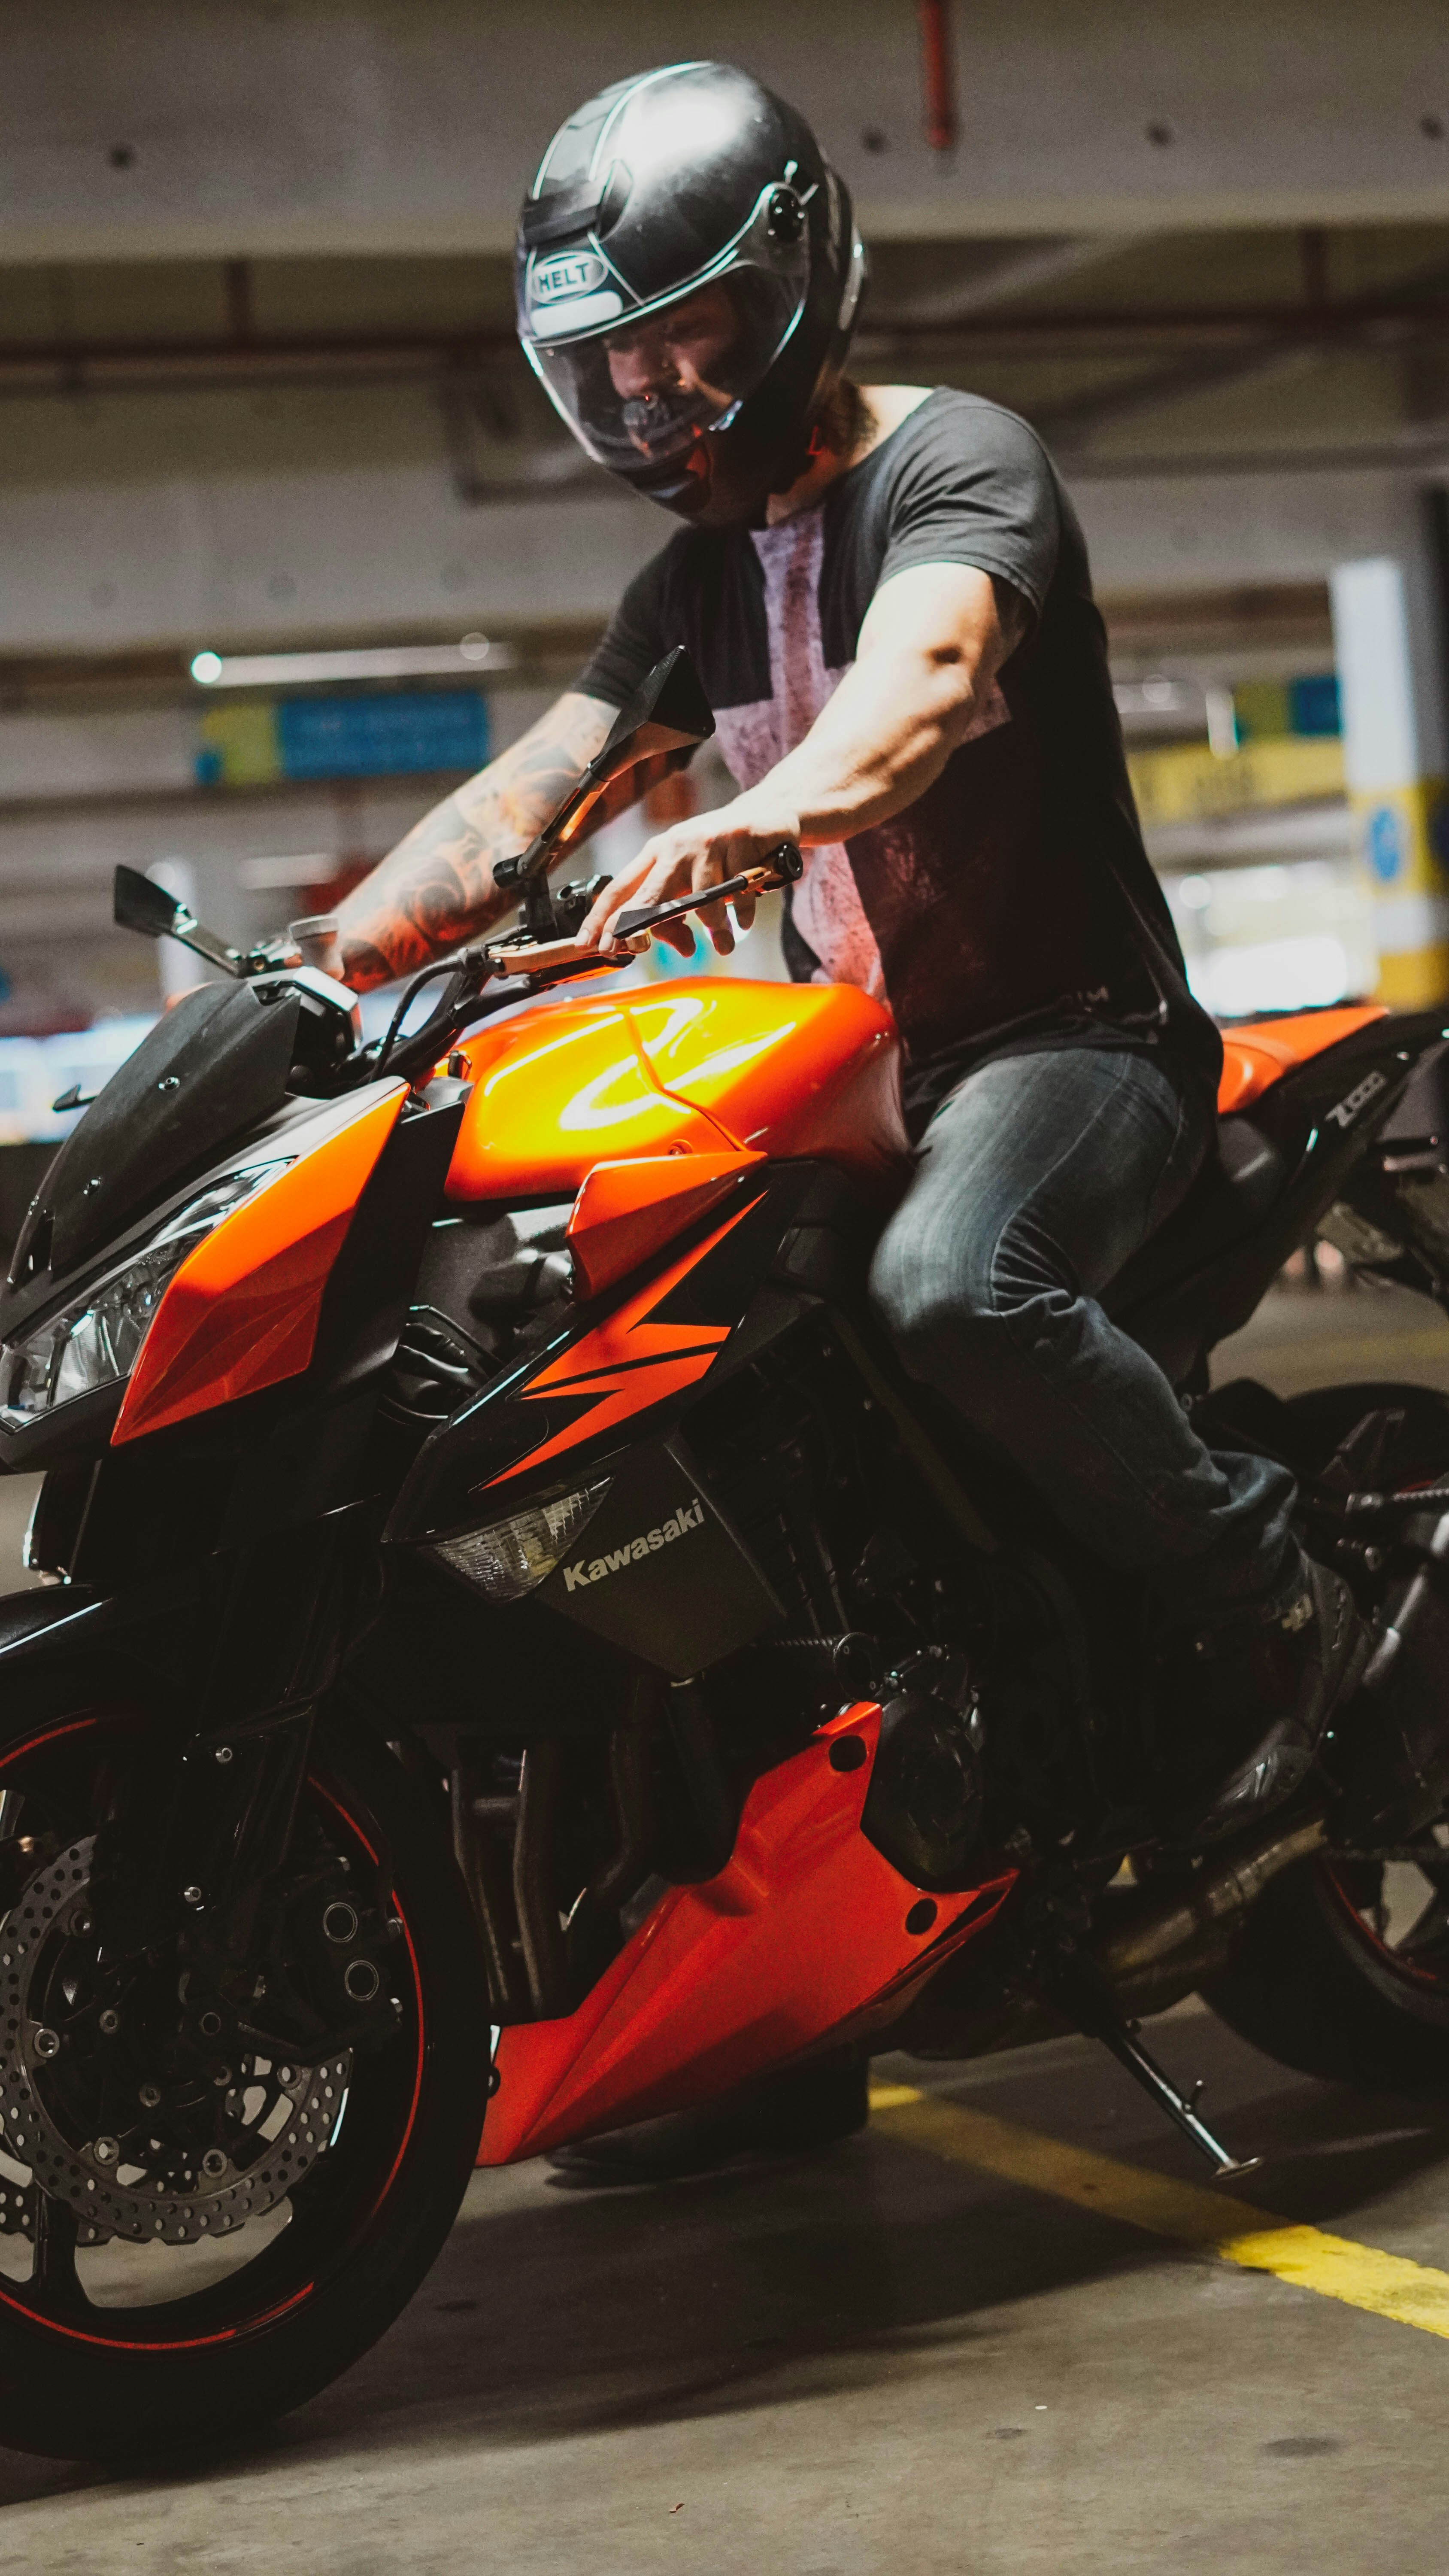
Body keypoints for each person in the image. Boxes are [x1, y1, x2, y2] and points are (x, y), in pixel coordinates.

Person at [333, 63, 1366, 2179]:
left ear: (793, 288)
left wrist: (765, 810)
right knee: (653, 1426)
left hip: (1066, 1047)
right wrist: (330, 962)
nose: (652, 393)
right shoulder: (702, 579)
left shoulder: (954, 465)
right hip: (865, 1068)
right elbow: (530, 786)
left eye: (685, 337)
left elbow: (919, 686)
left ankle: (1251, 1602)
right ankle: (777, 2009)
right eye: (611, 361)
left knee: (949, 1291)